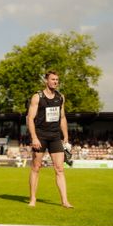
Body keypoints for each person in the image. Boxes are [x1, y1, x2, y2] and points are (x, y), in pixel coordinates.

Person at [26, 70, 73, 208]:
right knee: (36, 167)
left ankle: (64, 201)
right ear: (46, 81)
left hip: (55, 136)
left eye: (57, 80)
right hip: (40, 136)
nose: (55, 82)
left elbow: (62, 117)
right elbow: (30, 118)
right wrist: (34, 137)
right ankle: (33, 199)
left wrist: (66, 136)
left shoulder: (60, 97)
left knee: (59, 169)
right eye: (53, 79)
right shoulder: (37, 97)